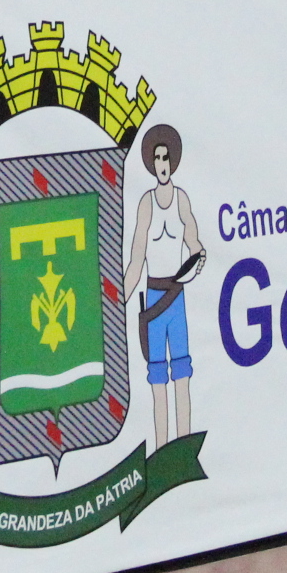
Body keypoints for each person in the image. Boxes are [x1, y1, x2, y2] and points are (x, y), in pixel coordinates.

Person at [123, 123, 204, 454]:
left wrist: (197, 259)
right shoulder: (146, 204)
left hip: (177, 296)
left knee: (182, 374)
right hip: (154, 299)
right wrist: (118, 301)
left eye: (165, 158)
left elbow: (194, 240)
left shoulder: (182, 199)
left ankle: (183, 448)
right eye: (157, 158)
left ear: (173, 161)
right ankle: (162, 451)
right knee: (158, 381)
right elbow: (136, 259)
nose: (161, 164)